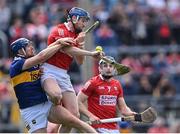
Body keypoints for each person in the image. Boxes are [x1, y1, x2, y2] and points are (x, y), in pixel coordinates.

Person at [9, 38, 97, 133]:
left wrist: (58, 42)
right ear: (20, 51)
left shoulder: (31, 61)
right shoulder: (17, 64)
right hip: (32, 110)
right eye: (28, 46)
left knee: (75, 121)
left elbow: (44, 52)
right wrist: (60, 45)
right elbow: (41, 56)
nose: (32, 47)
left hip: (46, 104)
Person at [41, 7, 102, 132]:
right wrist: (91, 53)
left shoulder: (76, 35)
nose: (84, 24)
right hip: (49, 71)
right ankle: (47, 109)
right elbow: (67, 49)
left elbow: (80, 62)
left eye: (86, 22)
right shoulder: (59, 30)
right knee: (56, 94)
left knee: (74, 116)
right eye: (83, 21)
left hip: (63, 73)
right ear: (74, 18)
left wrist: (80, 43)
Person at [77, 56, 136, 133]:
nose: (108, 68)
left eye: (111, 66)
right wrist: (91, 116)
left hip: (113, 128)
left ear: (114, 69)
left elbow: (123, 109)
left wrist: (132, 114)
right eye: (105, 66)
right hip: (97, 128)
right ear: (100, 69)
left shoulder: (117, 84)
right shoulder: (93, 83)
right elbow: (77, 101)